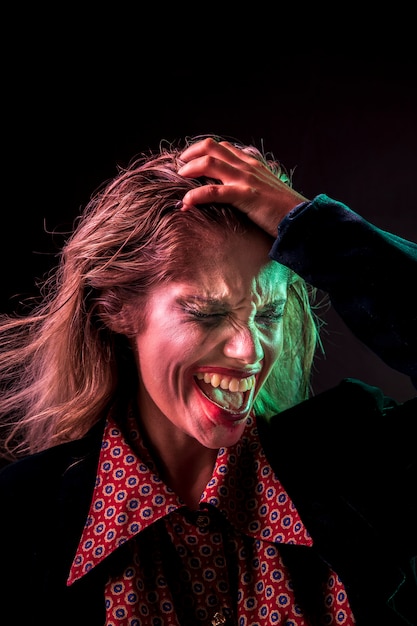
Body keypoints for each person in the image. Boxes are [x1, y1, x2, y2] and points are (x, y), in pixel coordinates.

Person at [0, 135, 415, 626]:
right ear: (115, 310)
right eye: (206, 311)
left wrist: (307, 225)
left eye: (269, 312)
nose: (248, 350)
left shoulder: (362, 458)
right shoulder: (19, 520)